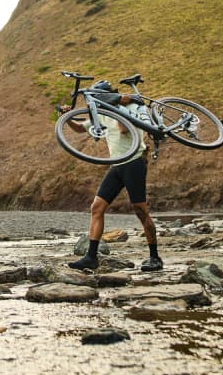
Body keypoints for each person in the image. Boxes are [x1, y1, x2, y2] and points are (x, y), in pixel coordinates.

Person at [64, 83, 162, 273]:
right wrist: (66, 117)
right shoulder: (99, 113)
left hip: (134, 162)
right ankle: (91, 257)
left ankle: (155, 257)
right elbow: (79, 128)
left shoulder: (128, 107)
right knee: (97, 208)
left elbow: (125, 129)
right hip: (116, 165)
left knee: (140, 210)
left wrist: (117, 107)